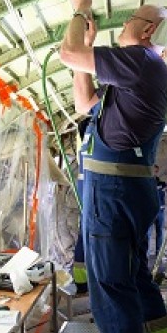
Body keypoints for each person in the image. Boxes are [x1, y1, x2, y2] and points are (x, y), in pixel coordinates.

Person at [60, 0, 167, 333]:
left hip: (112, 192)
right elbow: (84, 104)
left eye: (130, 18)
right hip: (127, 189)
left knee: (110, 283)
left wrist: (81, 13)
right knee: (134, 276)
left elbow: (66, 53)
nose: (124, 22)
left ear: (146, 31)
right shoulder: (136, 71)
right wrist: (88, 48)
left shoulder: (142, 61)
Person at [72, 114, 92, 295]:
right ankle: (84, 282)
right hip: (91, 197)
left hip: (86, 195)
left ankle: (82, 282)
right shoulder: (92, 149)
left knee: (83, 236)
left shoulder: (84, 149)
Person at [149, 165, 167, 256]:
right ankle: (146, 253)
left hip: (160, 211)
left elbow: (166, 193)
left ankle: (159, 253)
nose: (154, 172)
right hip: (150, 212)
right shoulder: (147, 183)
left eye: (156, 171)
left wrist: (163, 190)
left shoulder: (162, 183)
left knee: (160, 232)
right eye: (153, 171)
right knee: (148, 233)